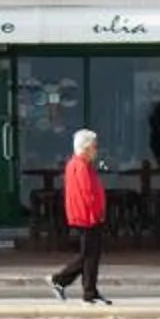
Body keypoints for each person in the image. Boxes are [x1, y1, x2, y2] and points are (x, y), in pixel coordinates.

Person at [48, 129, 110, 306]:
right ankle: (62, 281)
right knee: (88, 255)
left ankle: (89, 291)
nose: (96, 151)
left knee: (90, 254)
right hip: (87, 216)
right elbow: (87, 192)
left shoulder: (80, 164)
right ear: (86, 148)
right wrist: (97, 212)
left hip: (86, 214)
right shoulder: (80, 165)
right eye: (94, 147)